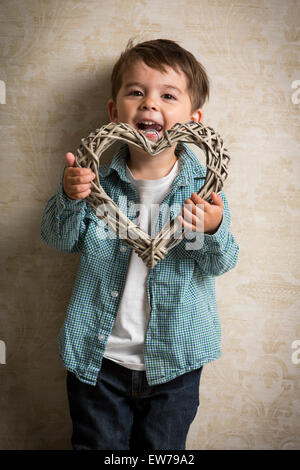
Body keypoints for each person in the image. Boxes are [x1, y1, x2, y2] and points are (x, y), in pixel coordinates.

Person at [41, 38, 239, 450]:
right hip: (98, 359)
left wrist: (213, 229)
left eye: (168, 95)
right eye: (136, 92)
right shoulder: (95, 181)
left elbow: (219, 263)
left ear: (194, 119)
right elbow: (60, 238)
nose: (150, 104)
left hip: (176, 364)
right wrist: (69, 197)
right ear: (114, 112)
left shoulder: (203, 191)